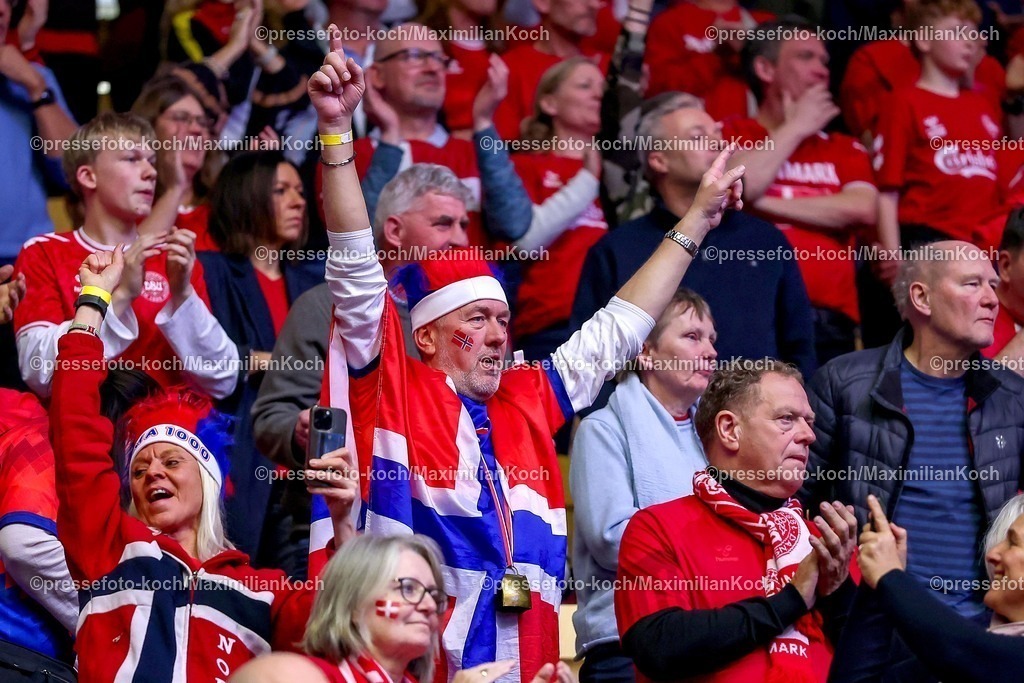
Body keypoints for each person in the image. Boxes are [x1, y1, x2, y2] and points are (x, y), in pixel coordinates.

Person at [308, 32, 745, 682]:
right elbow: (351, 259)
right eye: (477, 320)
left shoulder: (528, 397)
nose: (497, 336)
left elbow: (620, 327)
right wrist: (338, 131)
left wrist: (697, 222)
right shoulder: (391, 384)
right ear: (425, 336)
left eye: (504, 322)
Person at [48, 243, 359, 682]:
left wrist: (344, 522)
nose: (152, 472)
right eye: (138, 470)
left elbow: (339, 626)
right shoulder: (111, 547)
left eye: (172, 462)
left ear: (208, 480)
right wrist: (93, 302)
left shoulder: (263, 591)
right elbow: (74, 431)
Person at [803, 242, 1024, 680]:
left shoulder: (1012, 398)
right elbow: (795, 504)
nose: (991, 298)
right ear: (921, 298)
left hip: (975, 636)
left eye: (994, 286)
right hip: (871, 629)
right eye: (972, 283)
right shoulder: (844, 382)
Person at [615, 362, 858, 683]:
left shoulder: (824, 540)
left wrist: (838, 594)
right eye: (787, 419)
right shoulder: (657, 528)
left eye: (809, 422)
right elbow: (659, 648)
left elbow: (875, 665)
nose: (809, 435)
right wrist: (792, 600)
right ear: (729, 429)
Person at [572, 94, 816, 394]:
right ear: (659, 159)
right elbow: (592, 357)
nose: (716, 142)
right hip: (650, 429)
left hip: (755, 428)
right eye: (697, 136)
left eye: (717, 133)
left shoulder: (766, 240)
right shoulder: (617, 250)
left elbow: (800, 348)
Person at [14, 112, 239, 399]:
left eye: (152, 161)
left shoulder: (173, 258)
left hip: (165, 437)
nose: (151, 172)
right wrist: (121, 296)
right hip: (77, 433)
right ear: (88, 176)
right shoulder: (44, 252)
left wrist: (183, 295)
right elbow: (40, 372)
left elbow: (223, 379)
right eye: (132, 159)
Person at [570, 288, 716, 682]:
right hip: (624, 646)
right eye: (692, 336)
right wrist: (713, 548)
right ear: (645, 352)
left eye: (711, 339)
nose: (711, 351)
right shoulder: (602, 429)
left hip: (706, 637)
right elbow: (613, 539)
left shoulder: (717, 438)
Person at [197, 150, 325, 564]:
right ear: (247, 197)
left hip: (305, 473)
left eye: (301, 191)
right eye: (281, 190)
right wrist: (270, 360)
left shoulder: (314, 278)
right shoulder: (212, 271)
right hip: (241, 460)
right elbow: (203, 356)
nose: (298, 201)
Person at [726, 17, 878, 363]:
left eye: (824, 61)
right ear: (765, 68)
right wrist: (795, 127)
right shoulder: (731, 132)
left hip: (829, 320)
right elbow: (741, 182)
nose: (822, 70)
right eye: (805, 57)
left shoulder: (843, 146)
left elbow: (862, 207)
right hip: (750, 309)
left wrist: (761, 202)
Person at [230, 534, 577, 683]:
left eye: (434, 595)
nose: (428, 606)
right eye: (408, 589)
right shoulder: (288, 675)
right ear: (351, 601)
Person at [353, 23, 531, 247]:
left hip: (473, 280)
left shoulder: (475, 152)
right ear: (376, 75)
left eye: (439, 59)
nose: (432, 68)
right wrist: (390, 137)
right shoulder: (352, 155)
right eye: (414, 56)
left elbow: (514, 225)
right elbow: (359, 242)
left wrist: (484, 122)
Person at [846, 494, 1024, 682]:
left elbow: (970, 652)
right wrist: (876, 583)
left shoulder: (962, 647)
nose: (992, 554)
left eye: (1013, 543)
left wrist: (889, 577)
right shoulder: (966, 636)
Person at [511, 57, 606, 359]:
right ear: (550, 103)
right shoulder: (525, 165)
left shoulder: (619, 178)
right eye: (584, 86)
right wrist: (587, 180)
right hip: (549, 324)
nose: (597, 94)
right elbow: (525, 241)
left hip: (608, 325)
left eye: (602, 88)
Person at [0, 0, 77, 263]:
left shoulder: (34, 77)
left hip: (27, 258)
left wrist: (36, 89)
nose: (2, 8)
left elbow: (74, 168)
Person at [131, 70, 226, 251]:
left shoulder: (222, 206)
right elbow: (130, 264)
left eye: (202, 122)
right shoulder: (127, 201)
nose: (196, 129)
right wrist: (175, 189)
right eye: (181, 118)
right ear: (149, 129)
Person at [493, 0, 608, 141]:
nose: (594, 5)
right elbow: (500, 149)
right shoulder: (510, 68)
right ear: (543, 2)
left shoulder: (608, 67)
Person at [643, 0, 772, 121]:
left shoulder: (766, 24)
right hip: (691, 139)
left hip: (756, 138)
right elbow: (659, 95)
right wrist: (714, 56)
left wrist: (749, 51)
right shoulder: (669, 22)